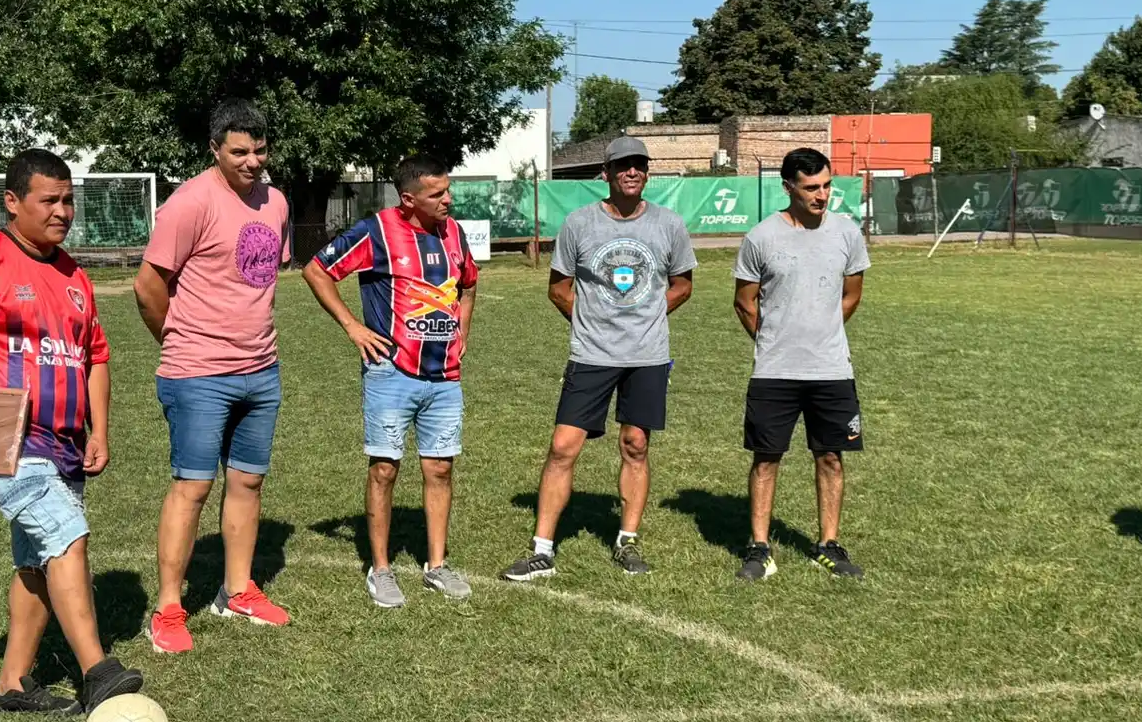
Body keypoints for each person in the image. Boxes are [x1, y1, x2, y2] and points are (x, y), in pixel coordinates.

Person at [0, 148, 144, 714]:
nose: (62, 211)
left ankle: (12, 684)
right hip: (5, 441)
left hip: (65, 444)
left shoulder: (74, 275)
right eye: (49, 200)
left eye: (68, 199)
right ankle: (96, 670)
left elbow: (95, 356)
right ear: (12, 202)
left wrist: (101, 430)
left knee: (37, 560)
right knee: (66, 533)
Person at [500, 135, 696, 581]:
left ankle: (627, 541)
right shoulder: (579, 224)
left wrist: (645, 316)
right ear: (605, 174)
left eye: (639, 165)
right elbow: (558, 288)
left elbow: (683, 285)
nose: (632, 171)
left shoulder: (669, 224)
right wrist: (591, 320)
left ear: (647, 172)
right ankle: (542, 550)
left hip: (647, 356)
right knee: (563, 447)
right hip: (592, 354)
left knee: (636, 445)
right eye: (623, 165)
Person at [135, 99, 292, 653]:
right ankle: (169, 608)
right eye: (239, 152)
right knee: (193, 487)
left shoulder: (276, 202)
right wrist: (179, 342)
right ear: (215, 150)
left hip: (261, 369)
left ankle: (238, 590)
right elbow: (148, 286)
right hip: (198, 373)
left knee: (248, 482)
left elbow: (259, 277)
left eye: (260, 150)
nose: (252, 161)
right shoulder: (190, 202)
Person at [302, 155, 478, 608]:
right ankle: (380, 570)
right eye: (437, 194)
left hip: (445, 376)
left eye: (447, 190)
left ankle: (436, 565)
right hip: (391, 373)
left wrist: (463, 333)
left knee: (440, 467)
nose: (447, 199)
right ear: (408, 199)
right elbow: (317, 270)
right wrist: (353, 327)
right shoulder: (377, 231)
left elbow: (469, 284)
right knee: (384, 469)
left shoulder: (454, 233)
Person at [732, 147, 870, 581]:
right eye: (812, 187)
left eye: (827, 185)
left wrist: (820, 332)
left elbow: (851, 295)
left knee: (831, 456)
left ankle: (828, 544)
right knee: (766, 457)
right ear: (788, 186)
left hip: (832, 370)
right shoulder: (761, 237)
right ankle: (759, 547)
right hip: (774, 371)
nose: (822, 195)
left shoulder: (847, 233)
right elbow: (744, 302)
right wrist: (777, 339)